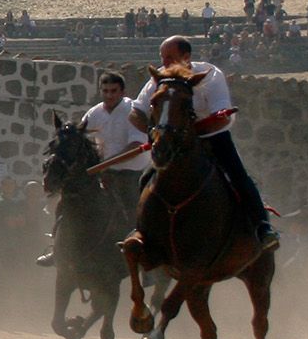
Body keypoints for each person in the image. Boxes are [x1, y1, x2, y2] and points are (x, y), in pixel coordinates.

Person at [128, 36, 280, 252]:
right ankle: (141, 231)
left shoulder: (211, 75)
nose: (165, 62)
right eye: (162, 57)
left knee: (238, 177)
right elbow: (135, 114)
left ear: (186, 56)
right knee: (146, 179)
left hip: (213, 138)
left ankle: (262, 228)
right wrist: (155, 134)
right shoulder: (159, 80)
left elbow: (222, 117)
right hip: (172, 142)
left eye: (170, 57)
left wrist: (190, 134)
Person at [37, 71, 148, 266]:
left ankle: (143, 255)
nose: (109, 95)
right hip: (102, 173)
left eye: (113, 91)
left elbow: (135, 147)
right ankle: (58, 247)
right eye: (105, 91)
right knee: (68, 201)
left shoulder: (133, 111)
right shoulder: (95, 113)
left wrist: (105, 164)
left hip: (132, 173)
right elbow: (79, 139)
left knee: (134, 210)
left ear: (122, 91)